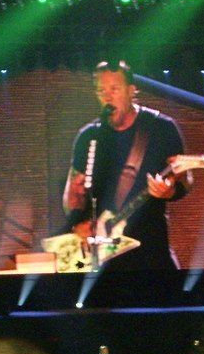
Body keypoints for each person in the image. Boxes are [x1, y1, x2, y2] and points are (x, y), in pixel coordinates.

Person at [61, 60, 193, 273]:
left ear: (132, 90)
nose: (107, 96)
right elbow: (73, 192)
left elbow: (185, 180)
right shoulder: (89, 136)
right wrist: (78, 222)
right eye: (101, 90)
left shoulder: (160, 128)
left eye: (115, 89)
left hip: (149, 250)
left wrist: (169, 191)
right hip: (102, 254)